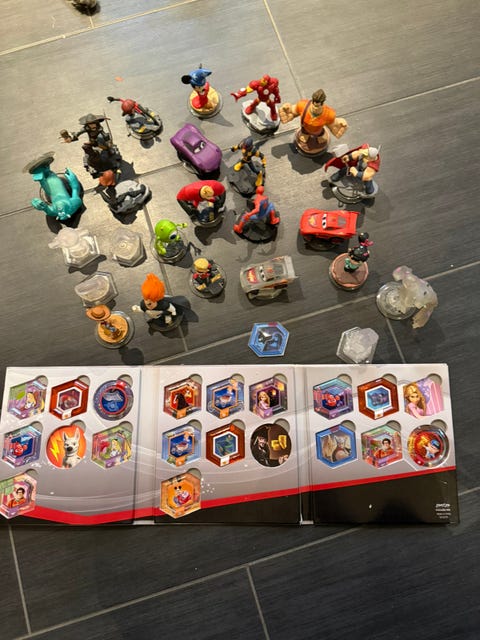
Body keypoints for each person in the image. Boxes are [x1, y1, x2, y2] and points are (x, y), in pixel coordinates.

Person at [279, 89, 347, 150]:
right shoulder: (302, 105)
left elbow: (332, 123)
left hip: (318, 130)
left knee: (320, 137)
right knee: (304, 135)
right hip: (305, 128)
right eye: (314, 105)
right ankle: (305, 135)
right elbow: (294, 110)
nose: (315, 108)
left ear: (322, 104)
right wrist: (288, 110)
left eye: (318, 106)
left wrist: (338, 124)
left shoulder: (329, 113)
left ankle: (320, 136)